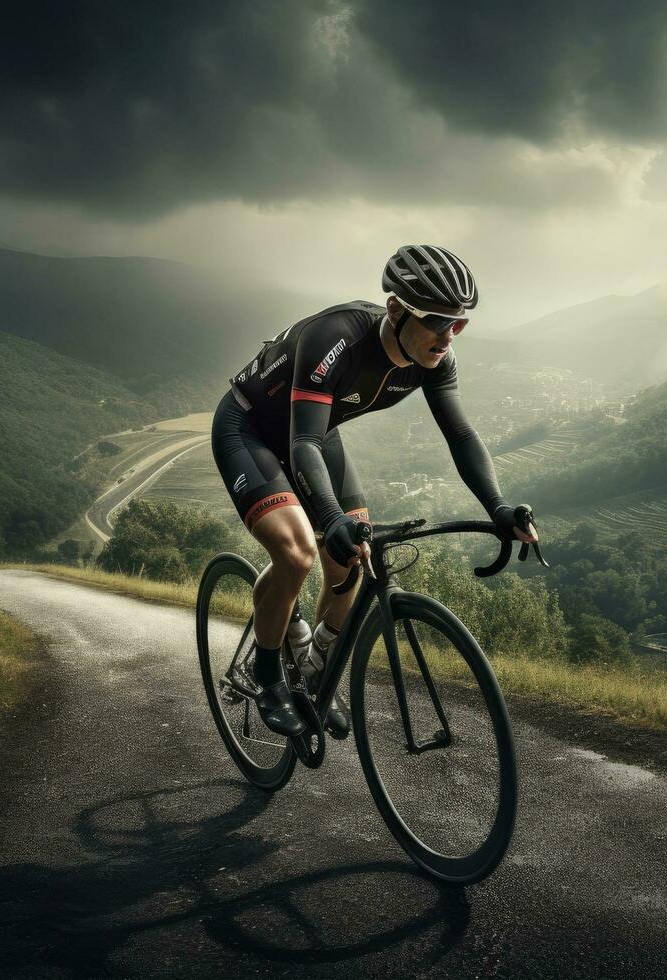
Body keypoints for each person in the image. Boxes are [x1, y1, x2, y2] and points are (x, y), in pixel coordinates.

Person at [212, 245, 538, 738]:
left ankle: (314, 662)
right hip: (250, 428)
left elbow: (462, 436)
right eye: (438, 322)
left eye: (460, 324)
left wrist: (498, 507)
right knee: (298, 553)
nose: (448, 336)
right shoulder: (335, 336)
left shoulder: (434, 361)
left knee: (354, 559)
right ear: (396, 309)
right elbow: (301, 442)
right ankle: (268, 674)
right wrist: (329, 516)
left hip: (316, 435)